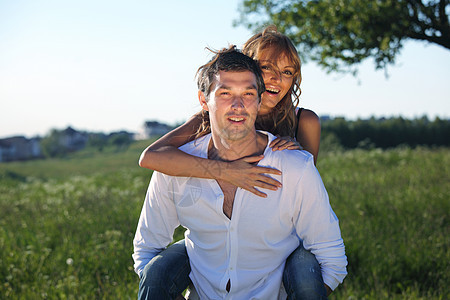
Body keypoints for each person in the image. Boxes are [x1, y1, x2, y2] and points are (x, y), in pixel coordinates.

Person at [133, 47, 347, 299]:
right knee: (155, 272)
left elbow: (331, 260)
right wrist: (225, 172)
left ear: (259, 98)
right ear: (204, 101)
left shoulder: (295, 165)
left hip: (283, 264)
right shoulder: (175, 165)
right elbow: (146, 250)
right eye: (225, 93)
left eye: (247, 93)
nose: (238, 105)